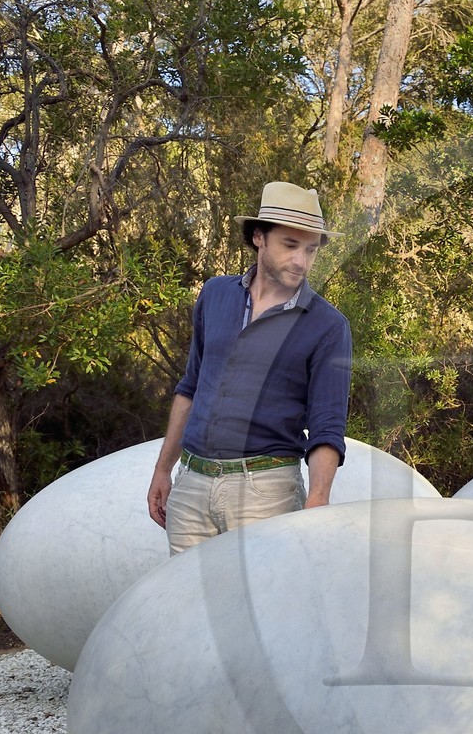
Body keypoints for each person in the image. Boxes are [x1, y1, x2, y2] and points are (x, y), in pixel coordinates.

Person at [147, 182, 353, 554]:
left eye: (310, 250)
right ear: (259, 237)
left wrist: (318, 499)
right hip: (192, 485)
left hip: (267, 493)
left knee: (262, 608)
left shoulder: (327, 325)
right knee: (189, 606)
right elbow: (191, 386)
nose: (301, 261)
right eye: (290, 245)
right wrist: (164, 469)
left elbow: (327, 424)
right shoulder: (215, 294)